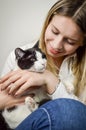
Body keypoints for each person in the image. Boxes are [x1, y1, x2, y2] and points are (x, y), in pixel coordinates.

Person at [0, 0, 86, 129]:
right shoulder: (18, 57)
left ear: (83, 42)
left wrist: (50, 80)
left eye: (70, 41)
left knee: (70, 111)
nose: (56, 45)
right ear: (47, 23)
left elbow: (79, 116)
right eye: (55, 32)